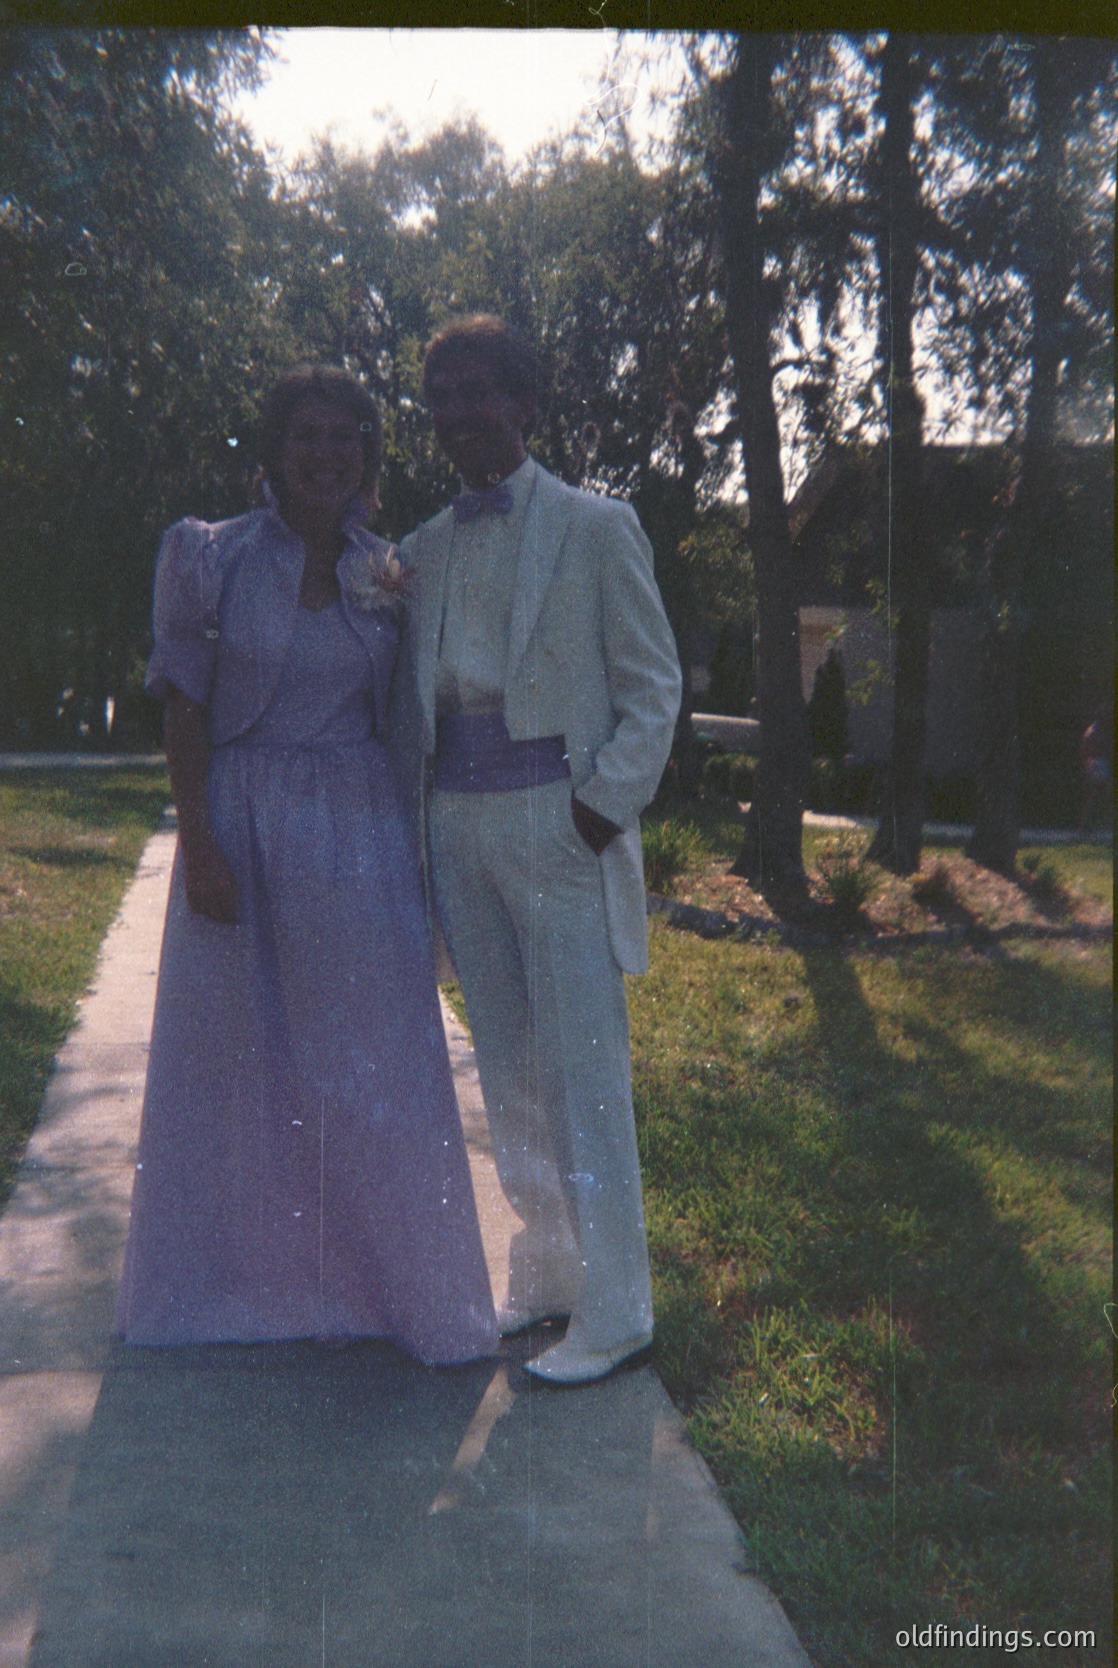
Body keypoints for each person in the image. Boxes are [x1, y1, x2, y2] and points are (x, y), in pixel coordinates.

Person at [115, 366, 497, 1365]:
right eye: (306, 437)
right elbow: (184, 707)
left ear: (367, 456)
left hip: (361, 834)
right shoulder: (209, 560)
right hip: (242, 820)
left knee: (373, 1058)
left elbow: (413, 713)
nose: (324, 455)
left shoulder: (391, 571)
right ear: (274, 454)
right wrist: (198, 841)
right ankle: (237, 1288)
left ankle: (387, 1287)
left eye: (344, 437)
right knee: (238, 1061)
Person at [394, 316, 682, 1385]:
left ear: (521, 404)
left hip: (556, 816)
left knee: (579, 1069)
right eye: (443, 395)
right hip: (456, 823)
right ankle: (548, 1273)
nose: (459, 411)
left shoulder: (595, 526)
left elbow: (652, 687)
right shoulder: (418, 550)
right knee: (506, 1064)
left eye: (479, 391)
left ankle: (616, 1307)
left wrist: (598, 813)